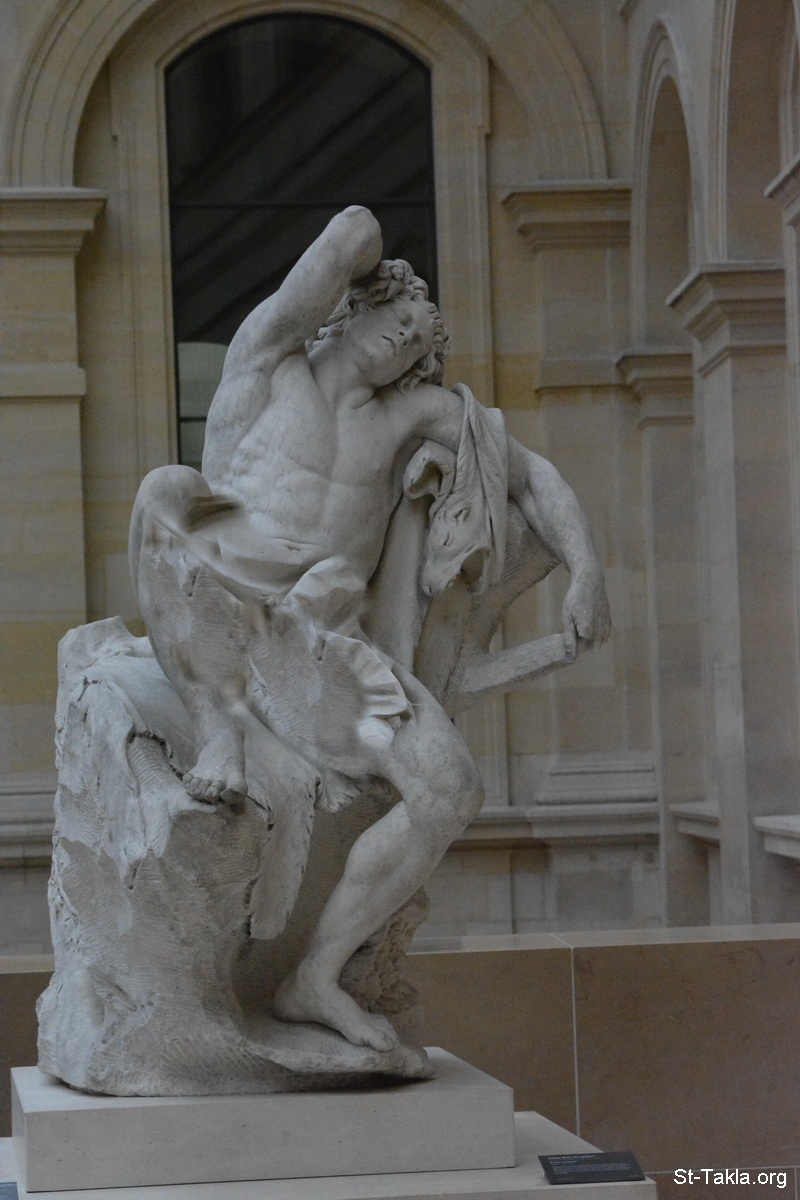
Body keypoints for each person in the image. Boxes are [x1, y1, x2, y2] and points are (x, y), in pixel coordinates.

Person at [129, 206, 610, 1052]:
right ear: (357, 305)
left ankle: (314, 977)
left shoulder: (407, 417)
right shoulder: (269, 356)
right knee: (165, 489)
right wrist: (378, 273)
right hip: (226, 595)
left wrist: (587, 570)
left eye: (420, 340)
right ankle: (218, 729)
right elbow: (351, 229)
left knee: (450, 789)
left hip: (320, 648)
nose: (407, 341)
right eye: (401, 319)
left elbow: (534, 479)